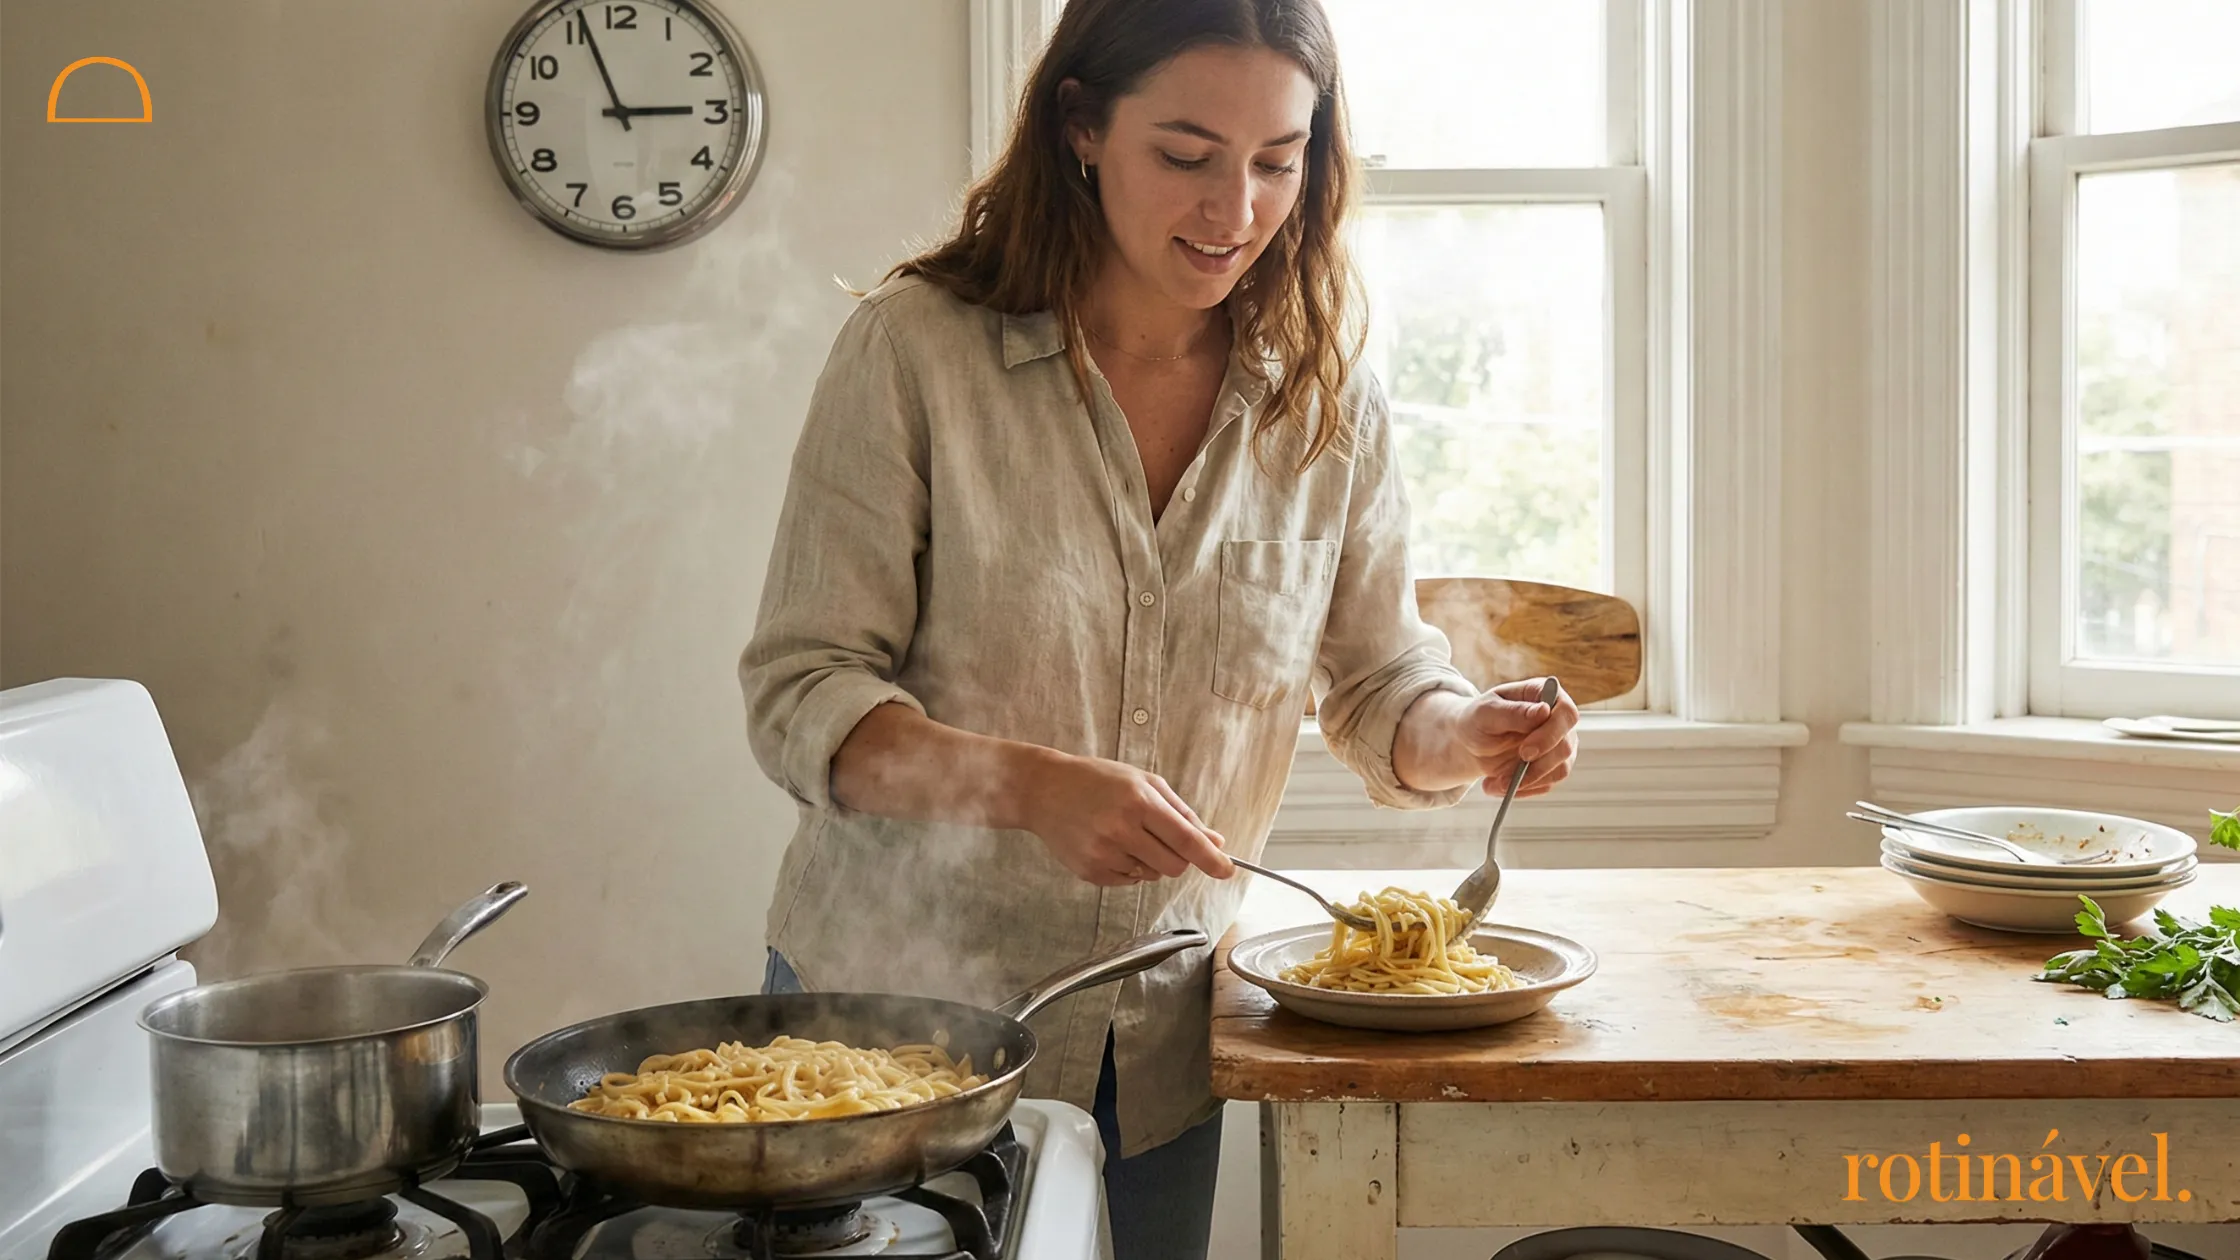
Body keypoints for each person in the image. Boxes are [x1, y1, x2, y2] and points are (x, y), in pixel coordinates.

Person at [738, 1, 1580, 1255]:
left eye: (1275, 161)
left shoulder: (1322, 384)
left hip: (1154, 1040)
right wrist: (1027, 787)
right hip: (892, 1027)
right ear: (1080, 126)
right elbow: (801, 697)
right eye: (1184, 156)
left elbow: (1376, 681)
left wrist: (1463, 733)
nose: (1232, 209)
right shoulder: (914, 352)